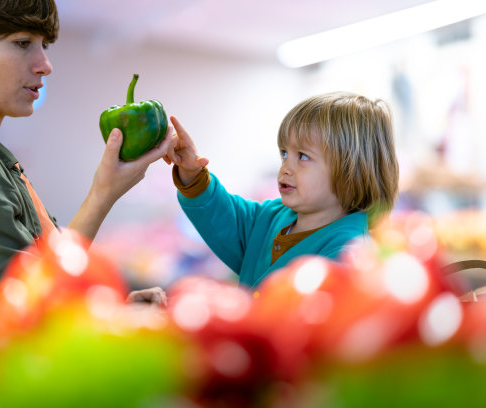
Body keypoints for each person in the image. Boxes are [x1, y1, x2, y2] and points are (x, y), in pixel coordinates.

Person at [0, 0, 170, 375]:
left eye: (43, 45)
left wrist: (106, 191)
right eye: (23, 43)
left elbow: (36, 286)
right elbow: (14, 323)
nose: (45, 64)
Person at [165, 92, 399, 289]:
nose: (285, 167)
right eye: (285, 153)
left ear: (352, 170)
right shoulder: (271, 216)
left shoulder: (349, 254)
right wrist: (193, 173)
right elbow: (224, 216)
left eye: (303, 156)